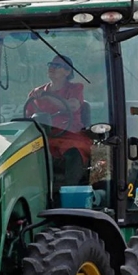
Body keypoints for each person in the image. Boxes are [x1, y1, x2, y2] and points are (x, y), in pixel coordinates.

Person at [24, 54, 92, 186]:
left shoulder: (75, 88)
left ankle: (70, 190)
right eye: (51, 65)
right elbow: (28, 117)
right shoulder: (36, 93)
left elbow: (73, 105)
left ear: (67, 71)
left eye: (57, 66)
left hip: (70, 136)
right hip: (44, 138)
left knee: (75, 152)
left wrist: (48, 97)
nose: (52, 68)